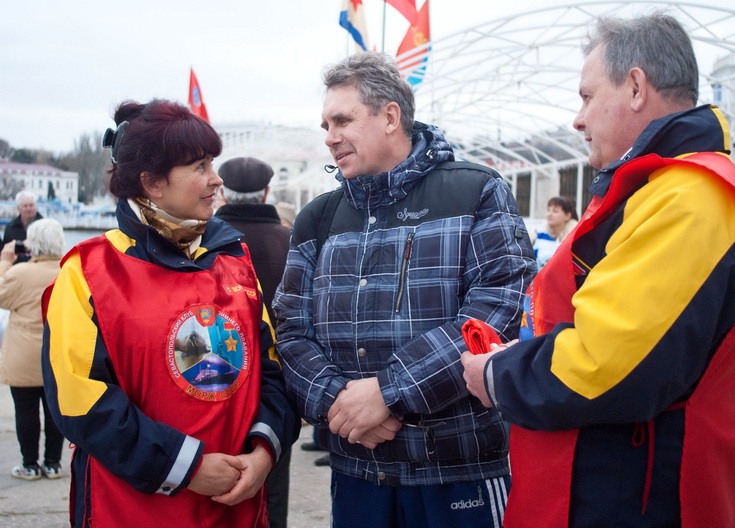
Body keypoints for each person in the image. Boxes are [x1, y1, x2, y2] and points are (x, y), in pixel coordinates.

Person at [462, 13, 735, 528]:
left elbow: (607, 364)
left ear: (634, 87)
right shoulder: (663, 189)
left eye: (585, 97)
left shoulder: (691, 198)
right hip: (618, 485)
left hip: (634, 497)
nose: (577, 120)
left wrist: (498, 374)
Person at [273, 51, 536, 527]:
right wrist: (340, 404)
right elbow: (290, 328)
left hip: (461, 471)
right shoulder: (318, 218)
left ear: (390, 116)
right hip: (358, 471)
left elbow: (496, 308)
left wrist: (389, 393)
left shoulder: (476, 191)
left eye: (343, 120)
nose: (330, 138)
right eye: (325, 125)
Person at [41, 99, 298, 528]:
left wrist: (263, 453)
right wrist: (187, 468)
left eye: (212, 163)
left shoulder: (234, 261)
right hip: (131, 512)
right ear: (152, 183)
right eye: (199, 166)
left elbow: (272, 371)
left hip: (238, 508)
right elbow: (78, 401)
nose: (216, 179)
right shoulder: (87, 272)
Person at [214, 156, 296, 528]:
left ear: (221, 192)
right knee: (273, 481)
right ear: (265, 192)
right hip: (279, 382)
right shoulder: (290, 241)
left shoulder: (207, 240)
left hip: (217, 380)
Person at [0, 218, 65, 480]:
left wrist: (5, 258)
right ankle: (53, 463)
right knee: (55, 412)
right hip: (58, 353)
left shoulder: (19, 273)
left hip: (23, 354)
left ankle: (30, 464)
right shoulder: (69, 271)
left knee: (25, 411)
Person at [533, 196, 578, 268]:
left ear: (567, 216)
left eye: (555, 211)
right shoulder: (539, 233)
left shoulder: (575, 237)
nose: (550, 214)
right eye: (548, 210)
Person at [0, 190, 43, 263]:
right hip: (16, 267)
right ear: (19, 208)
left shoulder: (44, 226)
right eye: (25, 206)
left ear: (35, 206)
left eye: (31, 205)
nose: (28, 209)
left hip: (39, 265)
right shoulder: (11, 227)